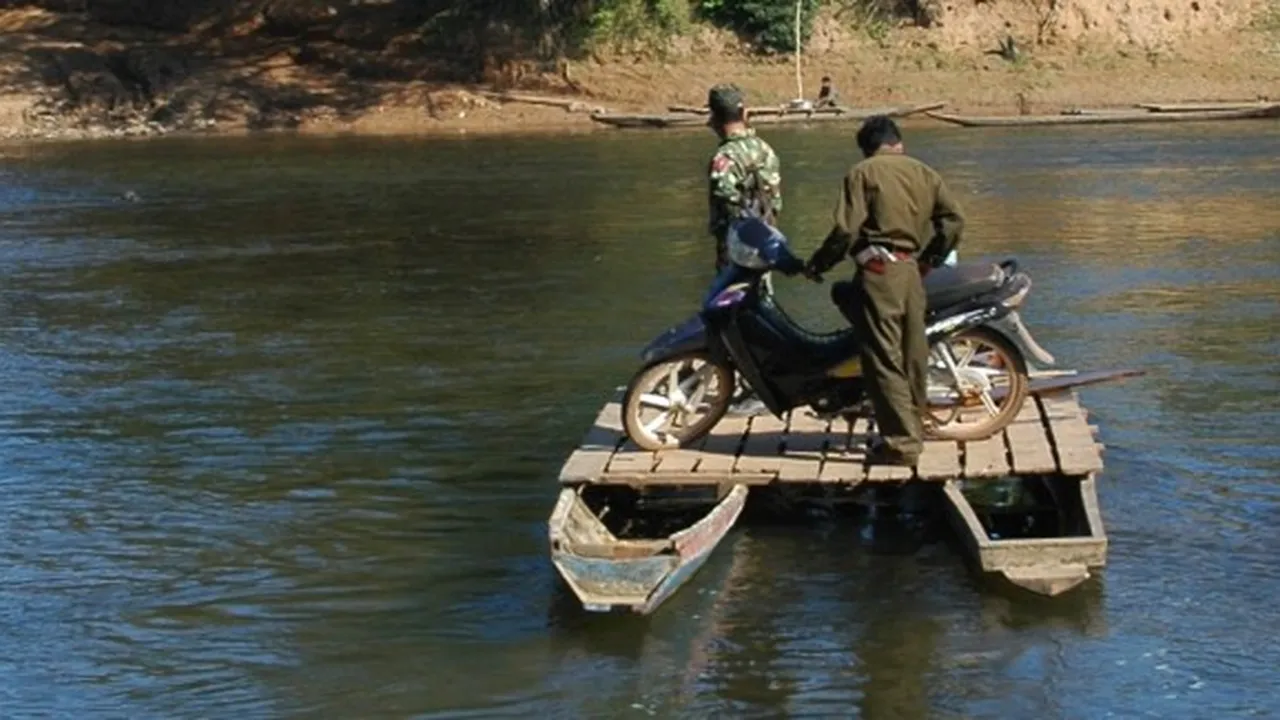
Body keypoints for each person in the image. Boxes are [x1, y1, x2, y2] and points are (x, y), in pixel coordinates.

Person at [803, 115, 965, 466]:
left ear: (867, 148)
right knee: (913, 352)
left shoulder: (863, 173)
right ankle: (914, 427)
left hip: (879, 272)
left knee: (883, 358)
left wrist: (818, 264)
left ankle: (901, 445)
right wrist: (931, 258)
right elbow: (954, 221)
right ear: (898, 142)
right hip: (912, 272)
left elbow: (845, 231)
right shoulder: (925, 173)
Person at [705, 83, 783, 417]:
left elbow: (728, 205)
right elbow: (776, 200)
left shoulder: (723, 158)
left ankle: (755, 388)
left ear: (713, 117)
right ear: (744, 112)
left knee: (732, 311)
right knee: (761, 307)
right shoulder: (765, 149)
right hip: (766, 240)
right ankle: (758, 380)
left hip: (737, 248)